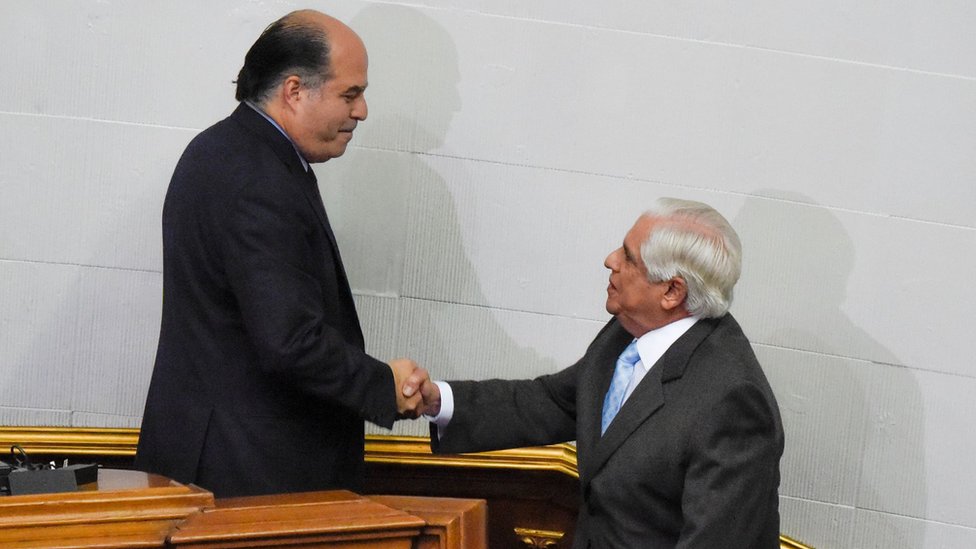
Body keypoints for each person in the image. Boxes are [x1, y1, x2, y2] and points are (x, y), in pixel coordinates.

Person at [136, 9, 428, 498]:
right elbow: (290, 341)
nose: (361, 111)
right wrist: (385, 386)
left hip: (221, 461)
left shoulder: (224, 150)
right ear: (294, 91)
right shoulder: (259, 179)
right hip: (247, 477)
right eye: (350, 94)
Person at [406, 198, 784, 548]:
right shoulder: (628, 330)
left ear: (672, 291)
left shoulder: (733, 403)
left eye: (629, 258)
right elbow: (556, 401)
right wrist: (437, 400)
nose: (610, 260)